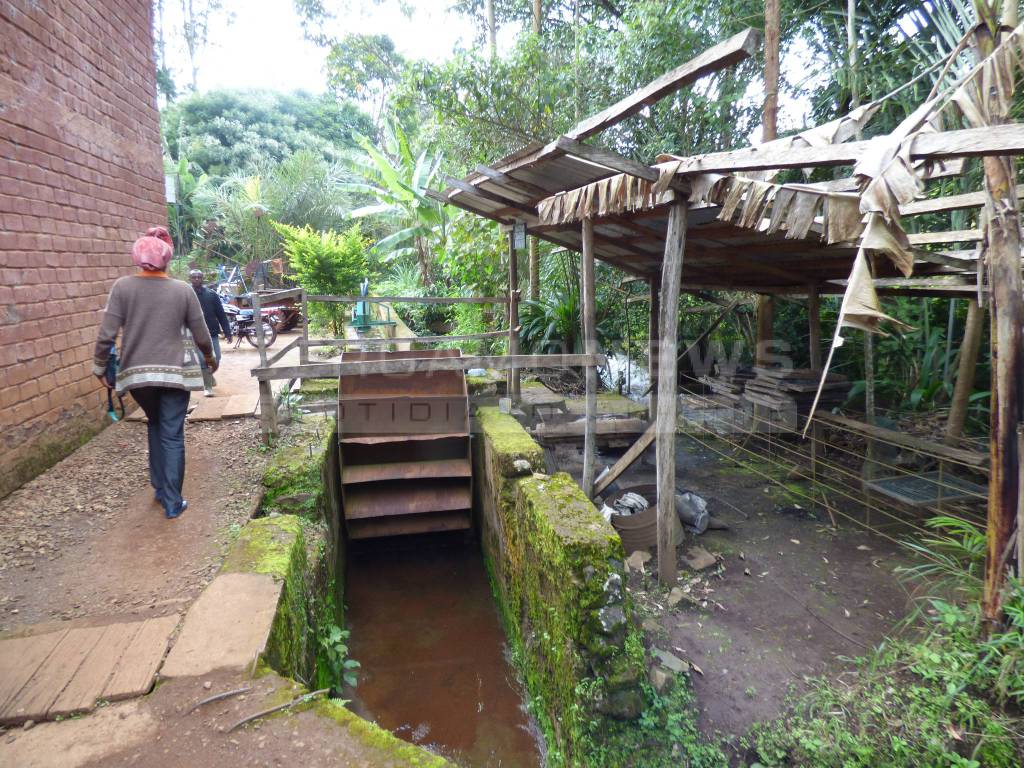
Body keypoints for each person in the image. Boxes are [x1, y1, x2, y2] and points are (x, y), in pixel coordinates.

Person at [92, 235, 217, 519]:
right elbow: (201, 335)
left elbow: (106, 335)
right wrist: (209, 359)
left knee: (155, 423)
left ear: (136, 259)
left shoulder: (122, 288)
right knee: (172, 433)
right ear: (167, 259)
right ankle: (173, 502)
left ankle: (159, 487)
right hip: (175, 375)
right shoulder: (183, 290)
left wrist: (99, 367)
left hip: (138, 377)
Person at [188, 269, 232, 396]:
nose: (196, 279)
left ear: (202, 278)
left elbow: (221, 314)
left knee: (216, 358)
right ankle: (207, 387)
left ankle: (208, 376)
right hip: (195, 333)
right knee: (202, 360)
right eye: (194, 277)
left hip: (212, 333)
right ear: (190, 279)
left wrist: (227, 332)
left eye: (199, 277)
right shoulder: (187, 295)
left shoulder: (211, 295)